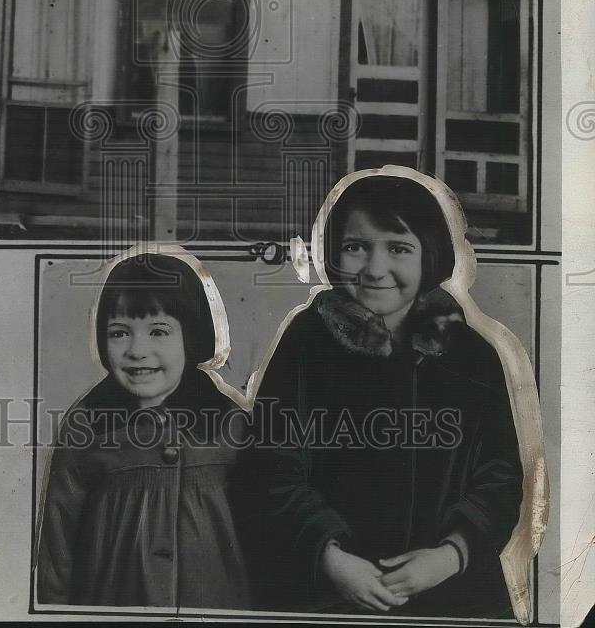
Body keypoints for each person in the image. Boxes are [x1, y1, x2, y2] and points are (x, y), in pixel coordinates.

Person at [239, 171, 524, 617]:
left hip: (450, 592)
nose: (374, 269)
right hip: (325, 589)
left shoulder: (469, 355)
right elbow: (269, 467)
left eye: (398, 248)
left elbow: (500, 478)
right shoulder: (306, 344)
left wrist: (450, 555)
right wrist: (331, 557)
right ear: (333, 254)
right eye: (356, 247)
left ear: (429, 254)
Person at [35, 251, 251, 610]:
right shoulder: (87, 426)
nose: (137, 350)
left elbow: (261, 529)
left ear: (191, 336)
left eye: (158, 332)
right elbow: (57, 545)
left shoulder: (232, 424)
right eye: (120, 333)